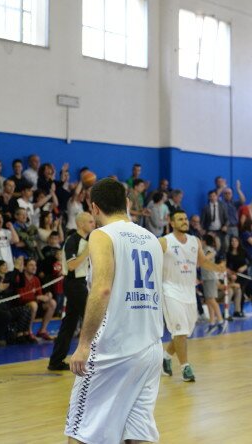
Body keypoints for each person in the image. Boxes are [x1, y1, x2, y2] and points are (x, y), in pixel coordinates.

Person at [66, 178, 164, 444]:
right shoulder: (153, 239)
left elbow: (102, 289)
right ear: (128, 204)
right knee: (138, 433)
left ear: (94, 207)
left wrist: (84, 344)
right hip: (151, 348)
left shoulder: (101, 235)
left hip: (113, 349)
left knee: (81, 429)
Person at [159, 209, 226, 380]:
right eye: (180, 219)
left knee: (184, 331)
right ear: (171, 223)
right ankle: (185, 368)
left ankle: (166, 357)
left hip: (189, 292)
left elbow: (202, 262)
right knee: (180, 331)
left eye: (186, 218)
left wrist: (217, 268)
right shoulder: (164, 242)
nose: (184, 221)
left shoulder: (195, 241)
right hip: (170, 290)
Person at [47, 212, 96, 371]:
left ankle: (56, 361)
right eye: (90, 221)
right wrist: (88, 251)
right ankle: (98, 357)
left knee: (69, 324)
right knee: (92, 318)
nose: (93, 224)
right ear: (81, 224)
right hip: (74, 284)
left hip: (81, 283)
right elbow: (73, 265)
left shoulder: (85, 240)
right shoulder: (72, 241)